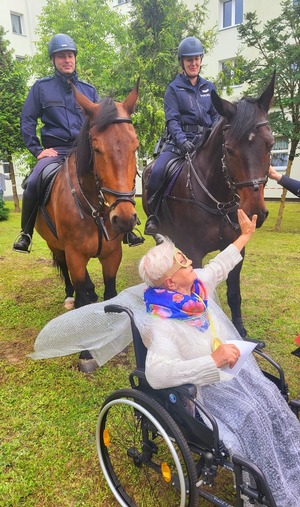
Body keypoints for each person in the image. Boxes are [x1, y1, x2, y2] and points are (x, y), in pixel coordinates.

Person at [138, 209, 300, 507]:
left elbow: (218, 267)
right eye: (182, 261)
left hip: (229, 374)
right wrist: (212, 362)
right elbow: (157, 374)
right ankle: (260, 492)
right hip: (204, 392)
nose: (189, 261)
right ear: (171, 282)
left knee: (269, 396)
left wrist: (246, 236)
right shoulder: (161, 323)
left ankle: (290, 460)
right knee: (251, 414)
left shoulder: (195, 289)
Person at [13, 33, 143, 253]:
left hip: (85, 152)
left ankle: (126, 228)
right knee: (34, 181)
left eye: (70, 55)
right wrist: (37, 151)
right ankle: (26, 233)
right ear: (53, 60)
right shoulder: (41, 88)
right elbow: (27, 120)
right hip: (55, 152)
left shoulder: (88, 90)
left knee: (113, 174)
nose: (67, 60)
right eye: (61, 56)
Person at [144, 36, 220, 235]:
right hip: (178, 144)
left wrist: (213, 135)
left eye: (196, 59)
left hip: (205, 142)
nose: (193, 63)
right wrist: (182, 141)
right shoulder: (173, 89)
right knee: (157, 172)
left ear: (201, 60)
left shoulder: (209, 88)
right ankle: (153, 217)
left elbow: (216, 115)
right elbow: (172, 120)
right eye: (189, 60)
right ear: (182, 63)